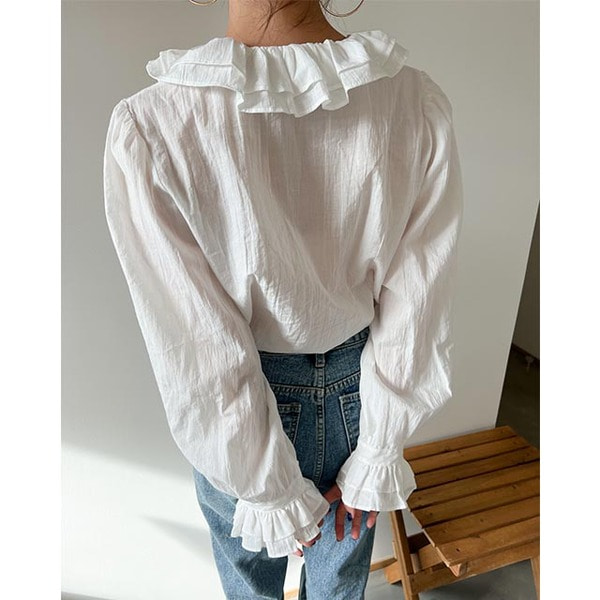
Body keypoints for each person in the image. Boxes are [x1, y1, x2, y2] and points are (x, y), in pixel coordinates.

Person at [102, 0, 464, 598]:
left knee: (251, 582)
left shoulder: (154, 124)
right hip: (364, 388)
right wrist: (377, 447)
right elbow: (420, 294)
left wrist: (261, 478)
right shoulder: (412, 101)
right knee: (340, 579)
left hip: (240, 404)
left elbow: (196, 341)